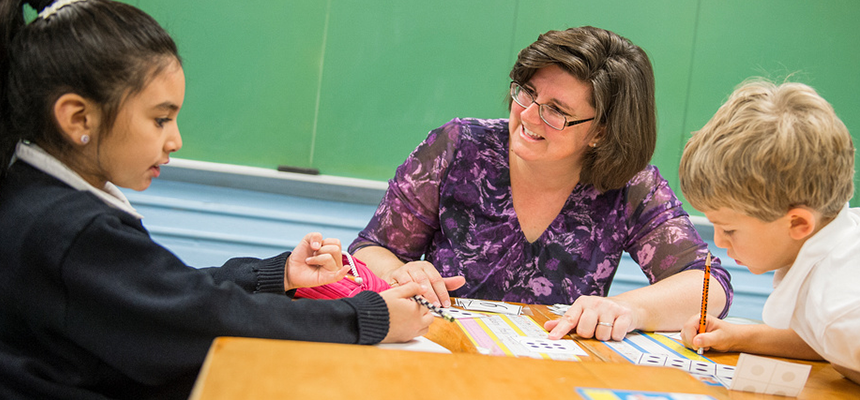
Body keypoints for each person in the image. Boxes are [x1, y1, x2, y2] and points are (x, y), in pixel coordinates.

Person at [0, 1, 433, 398]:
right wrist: (366, 316)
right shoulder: (71, 228)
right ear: (79, 117)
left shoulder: (37, 196)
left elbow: (163, 292)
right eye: (160, 119)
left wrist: (276, 274)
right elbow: (195, 320)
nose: (176, 140)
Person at [349, 26, 732, 341]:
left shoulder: (631, 187)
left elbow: (708, 286)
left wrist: (632, 309)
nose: (529, 116)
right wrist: (400, 271)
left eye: (557, 110)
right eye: (528, 92)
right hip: (440, 352)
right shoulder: (458, 147)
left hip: (552, 371)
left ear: (600, 131)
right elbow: (369, 249)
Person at [678, 79, 859, 384]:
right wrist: (742, 336)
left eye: (729, 230)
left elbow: (837, 333)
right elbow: (825, 342)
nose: (719, 242)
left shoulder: (840, 309)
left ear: (798, 224)